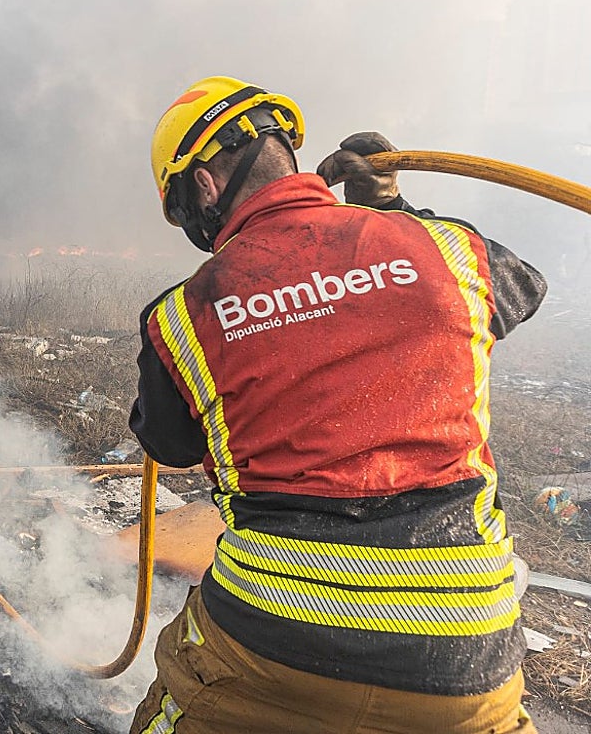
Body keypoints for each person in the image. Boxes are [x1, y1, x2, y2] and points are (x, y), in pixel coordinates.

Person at [129, 77, 547, 734]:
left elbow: (169, 445)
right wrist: (395, 216)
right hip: (467, 661)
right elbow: (521, 290)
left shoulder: (184, 315)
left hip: (268, 648)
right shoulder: (442, 251)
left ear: (203, 186)